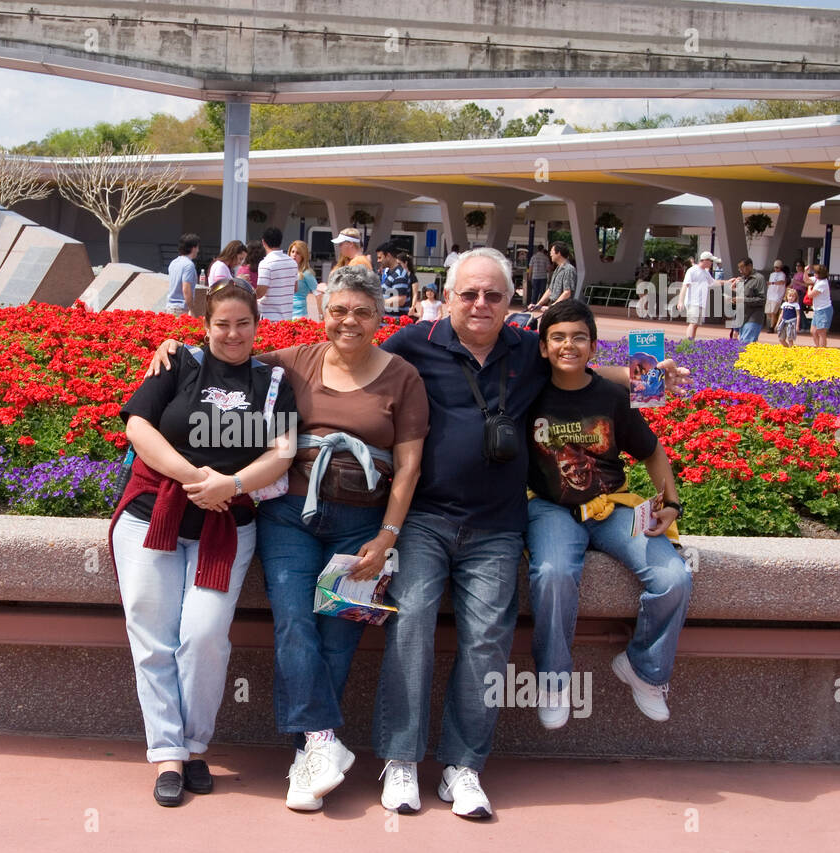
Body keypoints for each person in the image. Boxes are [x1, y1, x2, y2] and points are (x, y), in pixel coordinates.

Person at [370, 247, 689, 820]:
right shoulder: (412, 344)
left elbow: (578, 370)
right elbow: (347, 365)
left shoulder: (525, 347)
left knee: (488, 641)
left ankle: (462, 767)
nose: (481, 303)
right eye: (469, 293)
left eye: (494, 294)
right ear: (448, 296)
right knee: (411, 620)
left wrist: (640, 372)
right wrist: (197, 354)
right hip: (423, 519)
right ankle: (400, 759)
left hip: (496, 527)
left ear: (512, 301)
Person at [144, 266, 429, 813]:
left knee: (338, 638)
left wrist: (388, 535)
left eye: (362, 312)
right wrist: (175, 345)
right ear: (324, 314)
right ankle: (321, 742)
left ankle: (305, 759)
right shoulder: (294, 362)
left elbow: (410, 466)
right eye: (339, 310)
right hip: (290, 517)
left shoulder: (402, 376)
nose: (349, 321)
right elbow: (225, 357)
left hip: (363, 526)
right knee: (294, 622)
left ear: (379, 317)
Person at [111, 279, 298, 807]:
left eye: (243, 323)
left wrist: (232, 485)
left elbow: (282, 453)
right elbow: (139, 428)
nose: (233, 333)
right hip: (153, 518)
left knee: (205, 634)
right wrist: (197, 479)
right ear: (205, 325)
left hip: (227, 524)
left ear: (258, 326)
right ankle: (169, 753)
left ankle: (196, 744)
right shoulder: (177, 363)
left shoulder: (270, 380)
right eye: (222, 323)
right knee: (152, 636)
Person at [526, 300, 691, 729]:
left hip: (613, 505)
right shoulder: (526, 390)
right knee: (553, 573)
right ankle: (554, 680)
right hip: (550, 508)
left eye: (579, 337)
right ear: (542, 347)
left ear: (595, 346)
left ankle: (645, 669)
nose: (569, 345)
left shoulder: (611, 395)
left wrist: (670, 504)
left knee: (674, 578)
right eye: (558, 337)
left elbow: (653, 452)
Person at [678, 251, 724, 340]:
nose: (712, 263)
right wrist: (680, 301)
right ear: (705, 260)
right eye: (711, 261)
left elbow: (714, 282)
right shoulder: (692, 270)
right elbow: (685, 285)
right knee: (693, 323)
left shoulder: (706, 272)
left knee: (696, 325)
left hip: (701, 303)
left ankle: (691, 342)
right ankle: (688, 344)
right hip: (692, 302)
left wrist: (728, 282)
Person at [255, 227, 298, 321]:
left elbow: (260, 293)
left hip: (268, 319)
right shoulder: (292, 262)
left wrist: (248, 293)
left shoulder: (265, 263)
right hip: (287, 317)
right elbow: (295, 288)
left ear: (263, 242)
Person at [528, 242, 578, 315]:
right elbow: (550, 290)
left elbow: (567, 293)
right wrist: (537, 305)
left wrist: (552, 307)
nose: (550, 254)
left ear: (559, 253)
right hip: (555, 307)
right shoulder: (558, 269)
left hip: (562, 309)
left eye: (552, 251)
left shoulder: (569, 269)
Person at [729, 258, 766, 344]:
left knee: (746, 344)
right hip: (743, 317)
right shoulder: (743, 279)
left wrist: (742, 300)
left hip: (753, 317)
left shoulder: (759, 279)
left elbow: (762, 299)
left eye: (742, 267)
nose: (740, 270)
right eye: (739, 268)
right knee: (743, 344)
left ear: (749, 266)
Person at [166, 232, 200, 315]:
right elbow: (186, 289)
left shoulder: (173, 262)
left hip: (169, 307)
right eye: (197, 247)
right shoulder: (189, 265)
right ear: (193, 248)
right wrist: (192, 309)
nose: (198, 250)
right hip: (181, 309)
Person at [288, 239, 321, 319]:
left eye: (298, 253)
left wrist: (321, 315)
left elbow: (318, 294)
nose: (294, 255)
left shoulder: (306, 273)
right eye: (292, 252)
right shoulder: (286, 271)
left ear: (303, 256)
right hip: (284, 314)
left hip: (299, 315)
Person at [377, 244, 411, 321]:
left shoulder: (399, 275)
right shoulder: (388, 273)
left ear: (388, 256)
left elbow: (400, 300)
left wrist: (376, 302)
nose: (378, 260)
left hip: (394, 325)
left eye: (380, 257)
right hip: (387, 324)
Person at [806, 264, 833, 348]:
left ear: (820, 274)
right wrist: (805, 271)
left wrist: (809, 288)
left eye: (815, 272)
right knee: (813, 331)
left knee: (821, 332)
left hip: (824, 309)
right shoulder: (817, 280)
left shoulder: (822, 283)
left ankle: (822, 350)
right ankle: (818, 347)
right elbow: (806, 280)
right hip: (817, 309)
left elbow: (810, 295)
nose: (814, 274)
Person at [765, 260, 787, 332]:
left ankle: (772, 327)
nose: (776, 269)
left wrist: (772, 283)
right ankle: (774, 323)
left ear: (780, 267)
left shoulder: (782, 274)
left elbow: (782, 282)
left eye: (777, 267)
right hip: (770, 295)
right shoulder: (772, 274)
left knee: (773, 312)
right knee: (768, 312)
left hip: (777, 296)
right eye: (775, 267)